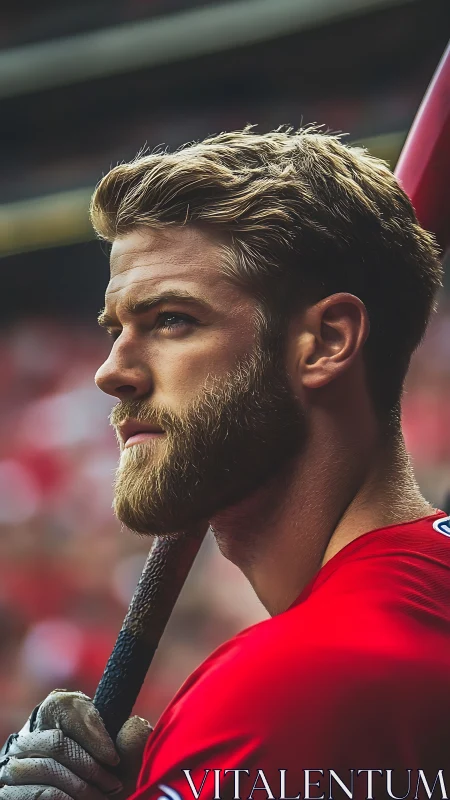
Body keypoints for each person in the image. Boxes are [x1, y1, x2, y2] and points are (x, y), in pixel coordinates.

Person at [0, 127, 449, 800]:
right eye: (113, 329)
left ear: (326, 342)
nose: (110, 372)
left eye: (172, 320)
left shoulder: (281, 692)